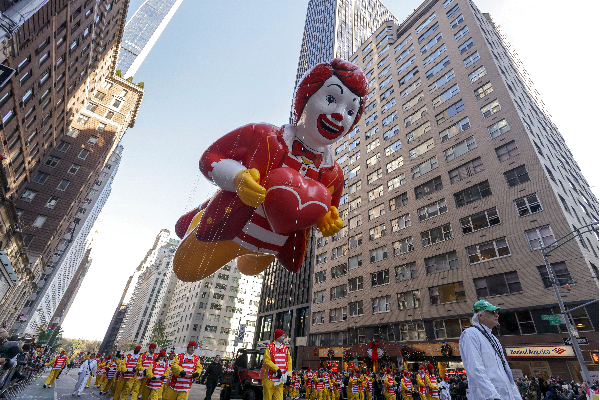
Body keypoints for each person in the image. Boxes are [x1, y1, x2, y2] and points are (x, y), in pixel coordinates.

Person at [173, 58, 368, 283]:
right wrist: (237, 178)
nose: (340, 115)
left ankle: (252, 248)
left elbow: (329, 209)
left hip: (271, 248)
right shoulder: (262, 136)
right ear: (306, 95)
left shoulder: (335, 175)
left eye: (351, 111)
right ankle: (201, 214)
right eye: (331, 99)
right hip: (229, 230)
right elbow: (210, 158)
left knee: (249, 269)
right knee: (185, 270)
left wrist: (326, 220)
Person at [459, 300, 522, 400]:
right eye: (492, 312)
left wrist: (516, 396)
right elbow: (475, 368)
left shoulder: (494, 338)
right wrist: (493, 396)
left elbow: (506, 371)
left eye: (496, 312)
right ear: (481, 316)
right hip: (486, 397)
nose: (497, 315)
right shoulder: (470, 334)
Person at [263, 329, 292, 400]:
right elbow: (267, 361)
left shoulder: (285, 348)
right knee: (267, 398)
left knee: (279, 398)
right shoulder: (269, 347)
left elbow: (289, 363)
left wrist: (289, 376)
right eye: (283, 336)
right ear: (278, 337)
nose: (284, 338)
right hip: (270, 379)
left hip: (280, 379)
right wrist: (277, 369)